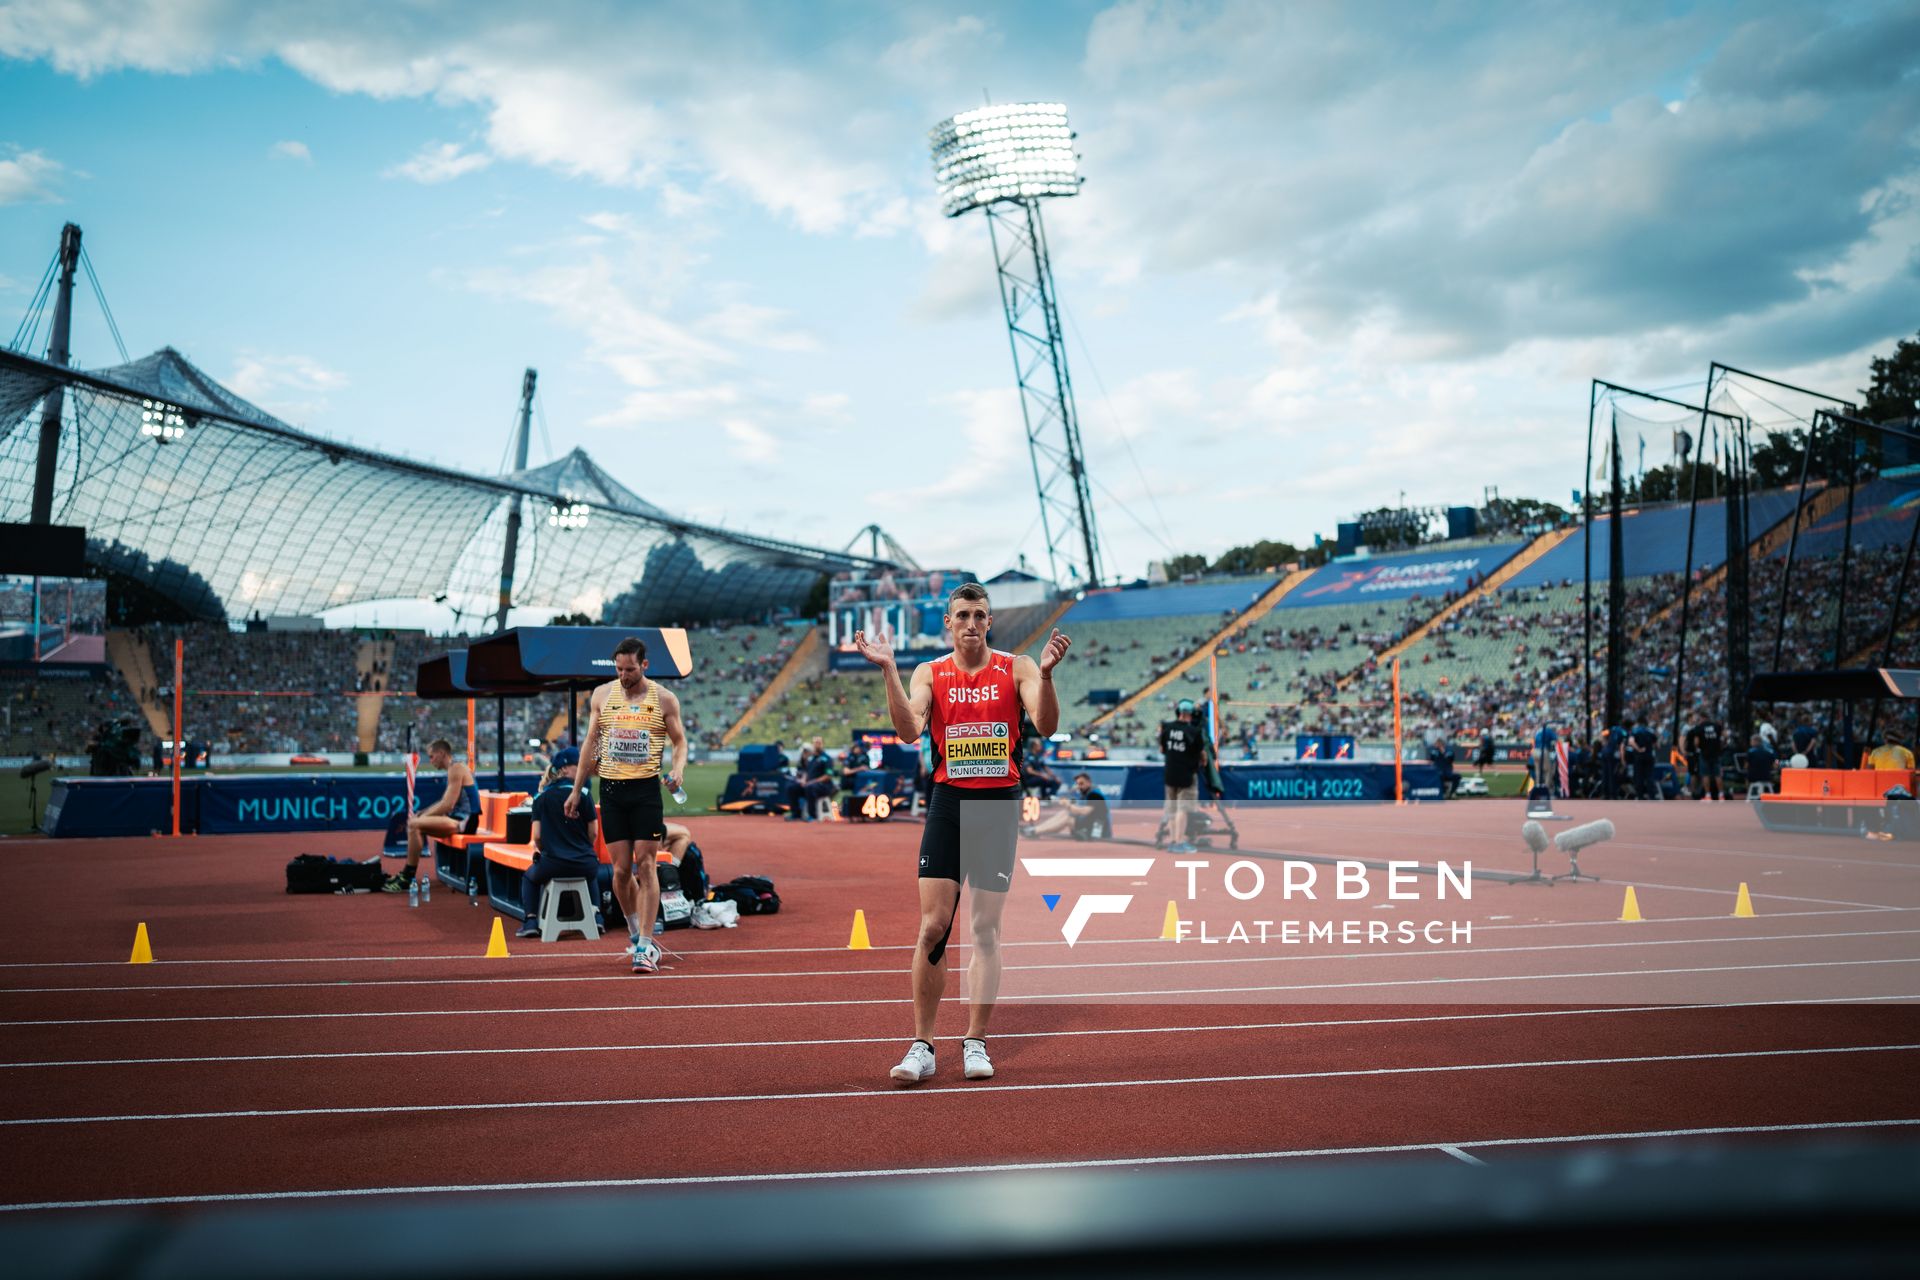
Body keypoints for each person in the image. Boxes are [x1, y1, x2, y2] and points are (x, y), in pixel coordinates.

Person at [854, 581, 1071, 1086]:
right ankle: (923, 1045)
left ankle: (975, 1039)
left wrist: (1048, 674)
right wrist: (888, 668)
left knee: (984, 930)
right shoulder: (930, 672)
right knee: (933, 927)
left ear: (988, 622)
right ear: (949, 623)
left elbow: (1045, 724)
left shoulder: (1017, 667)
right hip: (949, 804)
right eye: (963, 615)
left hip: (997, 808)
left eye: (980, 614)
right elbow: (909, 731)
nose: (972, 622)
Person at [568, 635, 687, 974]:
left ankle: (647, 946)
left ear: (644, 665)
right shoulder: (602, 695)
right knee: (620, 872)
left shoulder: (664, 699)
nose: (624, 675)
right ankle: (636, 935)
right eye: (619, 669)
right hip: (612, 789)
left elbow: (680, 743)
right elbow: (591, 744)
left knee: (646, 865)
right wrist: (577, 790)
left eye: (630, 669)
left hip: (646, 790)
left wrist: (677, 770)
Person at [517, 747, 602, 939]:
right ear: (564, 769)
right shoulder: (585, 794)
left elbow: (537, 836)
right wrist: (583, 849)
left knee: (529, 877)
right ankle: (597, 917)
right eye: (577, 765)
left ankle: (530, 920)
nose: (583, 769)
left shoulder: (541, 797)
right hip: (585, 863)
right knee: (592, 874)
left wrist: (547, 852)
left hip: (553, 864)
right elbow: (594, 832)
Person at [386, 738, 476, 892]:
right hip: (457, 819)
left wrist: (421, 817)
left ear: (441, 753)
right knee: (416, 825)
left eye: (432, 756)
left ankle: (408, 876)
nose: (430, 760)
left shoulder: (457, 768)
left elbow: (447, 804)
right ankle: (407, 874)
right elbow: (444, 803)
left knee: (415, 824)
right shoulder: (454, 769)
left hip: (466, 821)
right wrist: (423, 813)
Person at [1159, 699, 1206, 853]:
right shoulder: (1194, 732)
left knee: (1171, 809)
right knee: (1182, 809)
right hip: (1186, 775)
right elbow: (1202, 754)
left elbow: (1162, 749)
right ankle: (1180, 842)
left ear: (1178, 712)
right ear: (1190, 715)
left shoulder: (1166, 728)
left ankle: (1173, 841)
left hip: (1170, 773)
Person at [1024, 772, 1109, 840]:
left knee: (1068, 818)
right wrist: (1069, 803)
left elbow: (1084, 811)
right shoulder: (1086, 793)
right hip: (1088, 824)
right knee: (1064, 813)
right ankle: (1036, 829)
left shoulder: (1095, 795)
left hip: (1096, 831)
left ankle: (1035, 831)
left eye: (1082, 784)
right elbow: (1077, 808)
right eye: (1078, 784)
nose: (1079, 786)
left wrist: (1068, 805)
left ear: (1089, 783)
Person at [785, 735, 837, 821]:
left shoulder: (827, 759)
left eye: (819, 743)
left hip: (823, 786)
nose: (817, 745)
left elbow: (828, 776)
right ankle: (795, 814)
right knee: (791, 787)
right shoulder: (811, 759)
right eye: (815, 743)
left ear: (822, 744)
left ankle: (812, 815)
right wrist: (803, 780)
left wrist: (812, 782)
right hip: (809, 784)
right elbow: (806, 772)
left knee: (810, 788)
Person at [1685, 714, 1726, 801]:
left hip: (1704, 754)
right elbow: (1725, 736)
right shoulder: (1716, 726)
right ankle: (1721, 795)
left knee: (1705, 775)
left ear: (1702, 718)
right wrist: (1721, 746)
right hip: (1716, 753)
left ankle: (1708, 795)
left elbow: (1696, 742)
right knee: (1718, 775)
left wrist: (1699, 748)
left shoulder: (1699, 727)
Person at [1628, 718, 1659, 799]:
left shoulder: (1635, 731)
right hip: (1649, 756)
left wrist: (1638, 749)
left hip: (1639, 757)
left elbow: (1631, 742)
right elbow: (1657, 745)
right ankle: (1652, 796)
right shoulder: (1650, 731)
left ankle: (1640, 796)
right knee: (1650, 776)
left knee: (1639, 776)